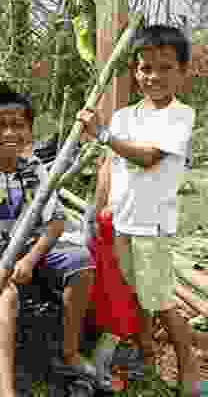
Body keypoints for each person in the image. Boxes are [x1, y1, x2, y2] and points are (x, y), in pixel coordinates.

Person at [77, 24, 199, 393]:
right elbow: (108, 169)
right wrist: (95, 213)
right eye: (146, 68)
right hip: (120, 223)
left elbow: (148, 158)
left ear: (182, 72)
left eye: (165, 68)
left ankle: (189, 368)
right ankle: (146, 353)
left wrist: (102, 135)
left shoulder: (180, 115)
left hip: (152, 226)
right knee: (133, 293)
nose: (154, 76)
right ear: (134, 71)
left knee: (161, 301)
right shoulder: (124, 117)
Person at [0, 83, 96, 397]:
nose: (8, 134)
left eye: (18, 125)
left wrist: (30, 259)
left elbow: (56, 222)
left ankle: (70, 352)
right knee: (4, 298)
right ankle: (6, 391)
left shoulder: (36, 170)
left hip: (33, 250)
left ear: (29, 131)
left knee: (82, 264)